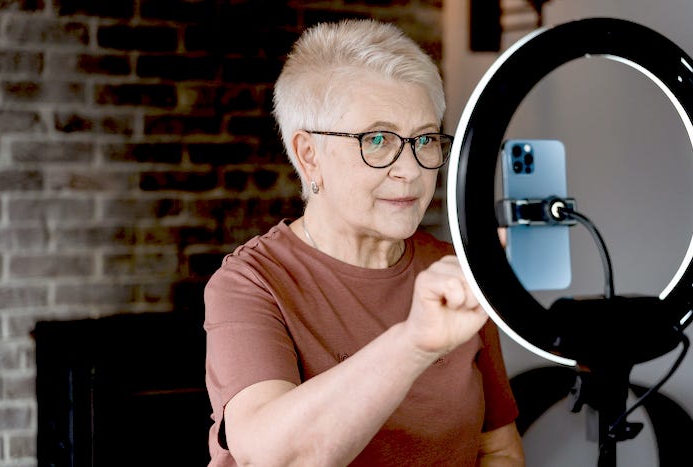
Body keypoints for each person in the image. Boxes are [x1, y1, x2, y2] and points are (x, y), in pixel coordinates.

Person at [204, 18, 525, 466]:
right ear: (309, 155)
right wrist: (415, 342)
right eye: (377, 139)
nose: (411, 170)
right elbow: (273, 458)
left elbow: (498, 450)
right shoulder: (250, 282)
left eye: (425, 139)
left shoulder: (455, 270)